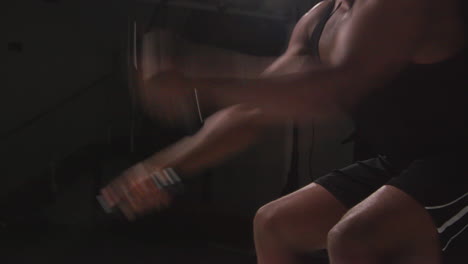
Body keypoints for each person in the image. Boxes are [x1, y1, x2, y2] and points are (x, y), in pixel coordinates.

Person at [101, 0, 467, 263]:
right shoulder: (321, 17)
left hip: (458, 161)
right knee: (274, 225)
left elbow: (333, 88)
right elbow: (253, 111)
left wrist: (195, 79)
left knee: (354, 238)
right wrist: (164, 170)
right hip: (406, 159)